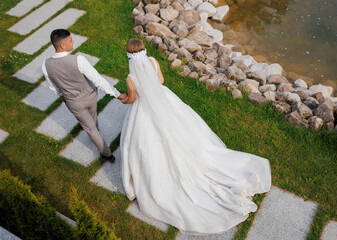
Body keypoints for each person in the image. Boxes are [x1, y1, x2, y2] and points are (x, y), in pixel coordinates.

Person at [120, 38, 271, 234]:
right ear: (143, 50)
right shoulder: (153, 62)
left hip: (144, 110)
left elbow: (132, 99)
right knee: (183, 131)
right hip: (166, 102)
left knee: (145, 145)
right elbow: (161, 82)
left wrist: (124, 99)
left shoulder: (130, 78)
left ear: (129, 56)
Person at [42, 29, 127, 162]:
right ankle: (101, 143)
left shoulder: (46, 65)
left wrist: (64, 98)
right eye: (70, 40)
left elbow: (54, 87)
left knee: (90, 128)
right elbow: (97, 80)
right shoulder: (79, 59)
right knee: (93, 119)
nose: (73, 41)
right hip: (90, 96)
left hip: (73, 103)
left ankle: (107, 154)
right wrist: (117, 94)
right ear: (63, 46)